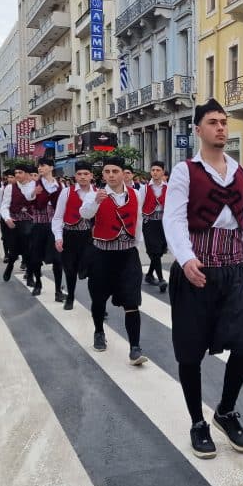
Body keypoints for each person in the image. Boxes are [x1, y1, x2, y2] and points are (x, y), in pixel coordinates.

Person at [163, 99, 243, 459]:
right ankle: (196, 421)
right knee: (190, 351)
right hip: (197, 272)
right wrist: (186, 258)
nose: (221, 127)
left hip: (235, 268)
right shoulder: (184, 172)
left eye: (224, 121)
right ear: (198, 130)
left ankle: (225, 410)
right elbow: (173, 219)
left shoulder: (242, 174)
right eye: (213, 122)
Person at [79, 156, 147, 364]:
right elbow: (84, 213)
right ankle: (99, 331)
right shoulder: (96, 195)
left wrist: (137, 242)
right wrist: (95, 203)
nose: (111, 175)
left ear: (123, 174)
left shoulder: (136, 194)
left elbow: (139, 220)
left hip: (127, 255)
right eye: (107, 172)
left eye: (115, 171)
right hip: (102, 255)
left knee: (132, 300)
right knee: (98, 299)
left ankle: (135, 347)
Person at [52, 161, 97, 310]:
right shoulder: (66, 192)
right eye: (79, 174)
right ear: (75, 176)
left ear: (91, 175)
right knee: (70, 270)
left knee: (93, 272)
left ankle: (97, 304)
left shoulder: (97, 193)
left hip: (89, 238)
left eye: (86, 174)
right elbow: (58, 217)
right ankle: (70, 296)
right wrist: (58, 237)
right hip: (69, 235)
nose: (83, 177)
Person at [0, 163, 49, 292]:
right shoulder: (10, 188)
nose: (17, 175)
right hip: (15, 221)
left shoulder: (36, 186)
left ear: (27, 174)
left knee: (31, 250)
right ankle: (10, 264)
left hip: (31, 221)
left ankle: (30, 275)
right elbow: (4, 206)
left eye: (20, 172)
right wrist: (7, 218)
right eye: (16, 173)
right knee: (14, 250)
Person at [29, 158, 64, 302]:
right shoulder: (35, 184)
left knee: (58, 259)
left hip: (55, 226)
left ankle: (58, 290)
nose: (40, 168)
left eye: (43, 166)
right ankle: (38, 283)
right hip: (39, 224)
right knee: (36, 257)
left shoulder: (60, 185)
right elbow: (28, 200)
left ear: (51, 167)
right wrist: (33, 194)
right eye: (39, 166)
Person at [141, 161, 169, 293]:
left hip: (163, 223)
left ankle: (149, 275)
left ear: (163, 172)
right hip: (149, 222)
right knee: (155, 250)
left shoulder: (168, 188)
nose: (155, 172)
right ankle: (161, 279)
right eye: (153, 170)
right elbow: (138, 207)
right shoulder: (144, 188)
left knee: (160, 251)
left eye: (158, 170)